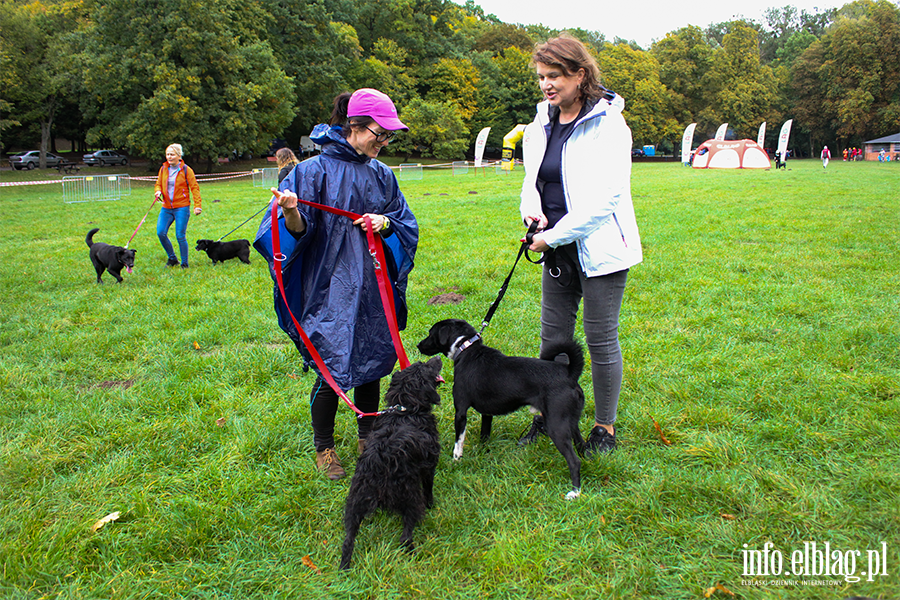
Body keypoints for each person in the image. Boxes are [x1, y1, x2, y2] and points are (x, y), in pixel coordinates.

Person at [254, 89, 418, 480]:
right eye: (380, 134)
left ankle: (368, 436)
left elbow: (403, 220)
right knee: (334, 365)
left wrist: (385, 223)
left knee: (375, 357)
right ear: (355, 126)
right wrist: (292, 212)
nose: (385, 142)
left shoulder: (383, 174)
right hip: (328, 284)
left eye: (389, 136)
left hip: (373, 281)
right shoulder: (310, 173)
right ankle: (324, 447)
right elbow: (292, 231)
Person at [518, 35, 642, 457]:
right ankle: (548, 412)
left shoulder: (609, 124)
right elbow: (531, 181)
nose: (546, 84)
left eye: (554, 75)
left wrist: (551, 235)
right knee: (552, 339)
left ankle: (603, 428)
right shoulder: (541, 123)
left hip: (600, 248)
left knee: (600, 339)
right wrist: (531, 214)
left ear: (580, 75)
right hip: (554, 247)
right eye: (541, 76)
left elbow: (606, 199)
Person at [154, 143, 201, 268]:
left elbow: (194, 188)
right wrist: (158, 191)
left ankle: (185, 263)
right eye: (167, 154)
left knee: (180, 235)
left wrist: (197, 205)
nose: (169, 157)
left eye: (172, 154)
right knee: (161, 232)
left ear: (179, 156)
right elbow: (158, 183)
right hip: (166, 208)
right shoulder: (163, 169)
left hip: (182, 207)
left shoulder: (186, 170)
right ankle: (172, 258)